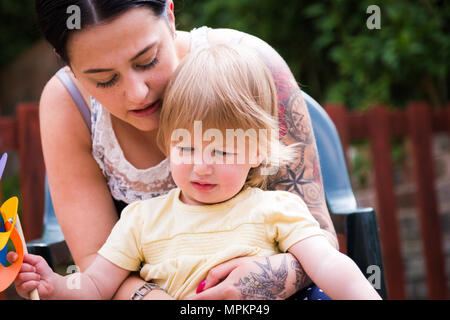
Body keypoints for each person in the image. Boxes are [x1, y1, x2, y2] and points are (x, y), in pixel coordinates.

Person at [15, 0, 338, 299]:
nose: (137, 93)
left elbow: (319, 237)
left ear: (170, 15)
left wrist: (267, 278)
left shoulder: (250, 67)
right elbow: (96, 267)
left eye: (147, 60)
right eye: (105, 79)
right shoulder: (67, 105)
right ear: (64, 58)